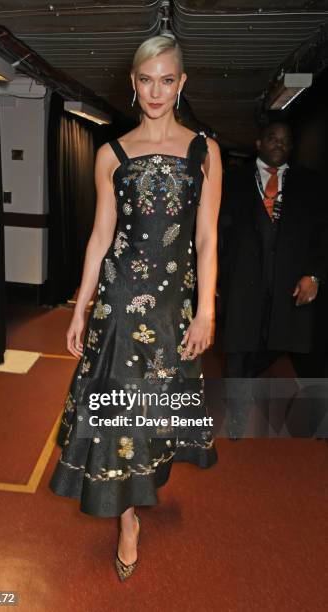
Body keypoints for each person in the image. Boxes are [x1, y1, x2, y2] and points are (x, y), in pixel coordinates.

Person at [49, 34, 222, 580]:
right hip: (121, 307)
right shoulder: (112, 154)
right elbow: (101, 238)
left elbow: (207, 240)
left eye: (166, 79)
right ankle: (126, 519)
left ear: (182, 83)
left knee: (154, 414)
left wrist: (206, 310)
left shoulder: (205, 152)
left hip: (173, 313)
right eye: (146, 79)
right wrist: (81, 307)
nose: (155, 90)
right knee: (116, 413)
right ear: (132, 82)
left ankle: (140, 491)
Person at [218, 120, 328, 437]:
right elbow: (215, 234)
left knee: (284, 343)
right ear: (258, 143)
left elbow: (323, 234)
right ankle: (238, 415)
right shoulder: (232, 182)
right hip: (242, 282)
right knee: (238, 347)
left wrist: (315, 275)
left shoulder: (311, 185)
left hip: (290, 284)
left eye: (285, 140)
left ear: (291, 147)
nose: (278, 144)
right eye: (272, 138)